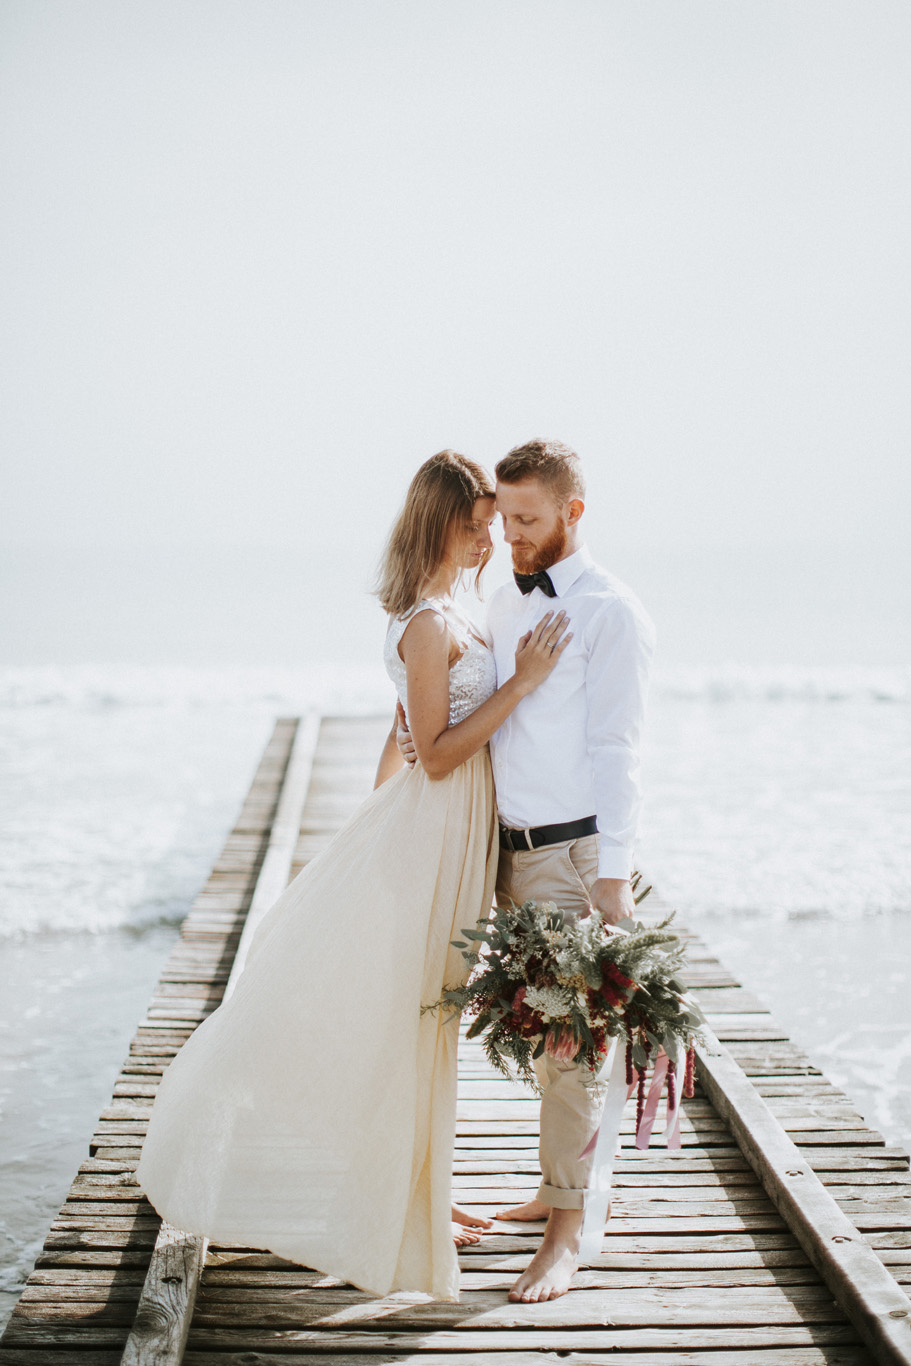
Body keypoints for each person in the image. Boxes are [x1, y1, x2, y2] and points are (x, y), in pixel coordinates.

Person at [135, 450, 571, 1304]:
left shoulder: (454, 610)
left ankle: (418, 1198)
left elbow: (402, 733)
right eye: (475, 517)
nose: (488, 531)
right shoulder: (425, 622)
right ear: (437, 519)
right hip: (436, 829)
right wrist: (519, 685)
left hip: (440, 837)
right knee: (414, 1026)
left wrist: (384, 813)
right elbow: (439, 755)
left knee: (425, 1027)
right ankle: (399, 1208)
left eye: (492, 517)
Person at [397, 438, 655, 1303]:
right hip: (500, 849)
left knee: (575, 1044)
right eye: (501, 518)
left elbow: (617, 748)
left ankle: (570, 1230)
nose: (506, 536)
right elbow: (471, 711)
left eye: (526, 520)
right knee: (545, 1042)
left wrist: (612, 877)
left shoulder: (612, 612)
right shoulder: (501, 602)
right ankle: (554, 1192)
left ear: (572, 513)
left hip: (574, 854)